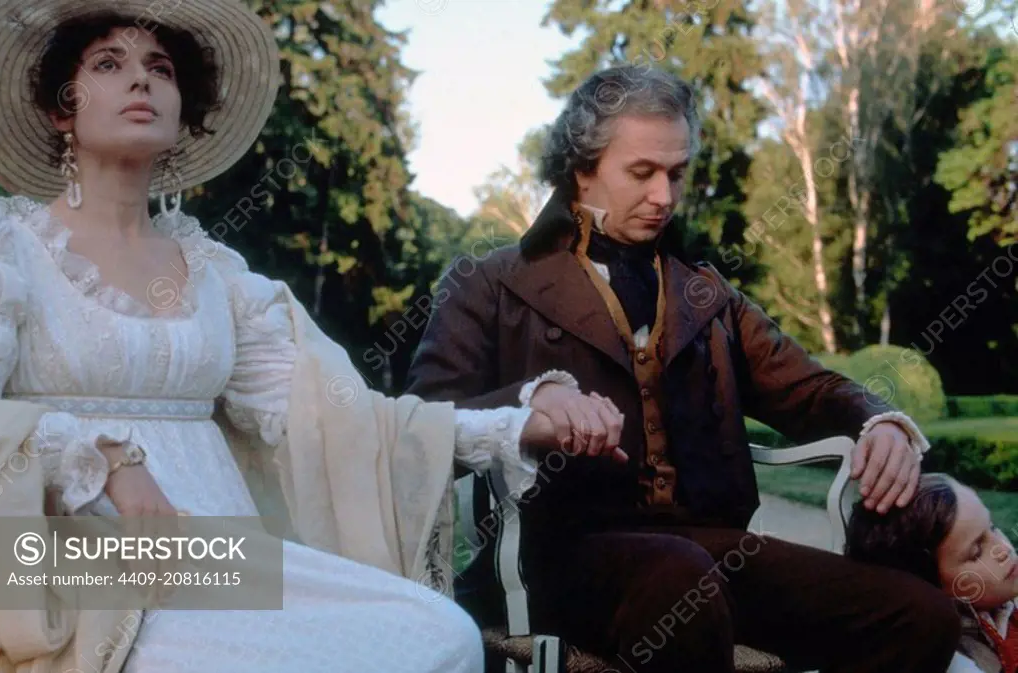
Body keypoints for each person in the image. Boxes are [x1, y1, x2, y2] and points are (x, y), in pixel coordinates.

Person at [0, 2, 624, 672]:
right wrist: (104, 458)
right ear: (62, 108)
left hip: (221, 562)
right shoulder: (11, 253)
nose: (141, 80)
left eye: (160, 68)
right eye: (108, 64)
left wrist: (520, 424)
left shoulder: (221, 279)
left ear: (184, 110)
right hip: (66, 566)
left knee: (437, 633)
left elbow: (343, 422)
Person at [404, 64, 963, 672]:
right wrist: (527, 408)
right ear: (581, 168)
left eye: (676, 173)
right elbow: (421, 425)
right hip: (556, 556)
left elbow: (811, 389)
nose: (665, 197)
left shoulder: (708, 294)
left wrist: (880, 422)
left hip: (713, 553)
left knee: (922, 616)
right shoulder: (488, 284)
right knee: (681, 578)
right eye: (641, 173)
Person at [846, 473, 1018, 673]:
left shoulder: (1002, 602)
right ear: (931, 589)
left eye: (993, 528)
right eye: (976, 552)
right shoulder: (957, 660)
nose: (1003, 549)